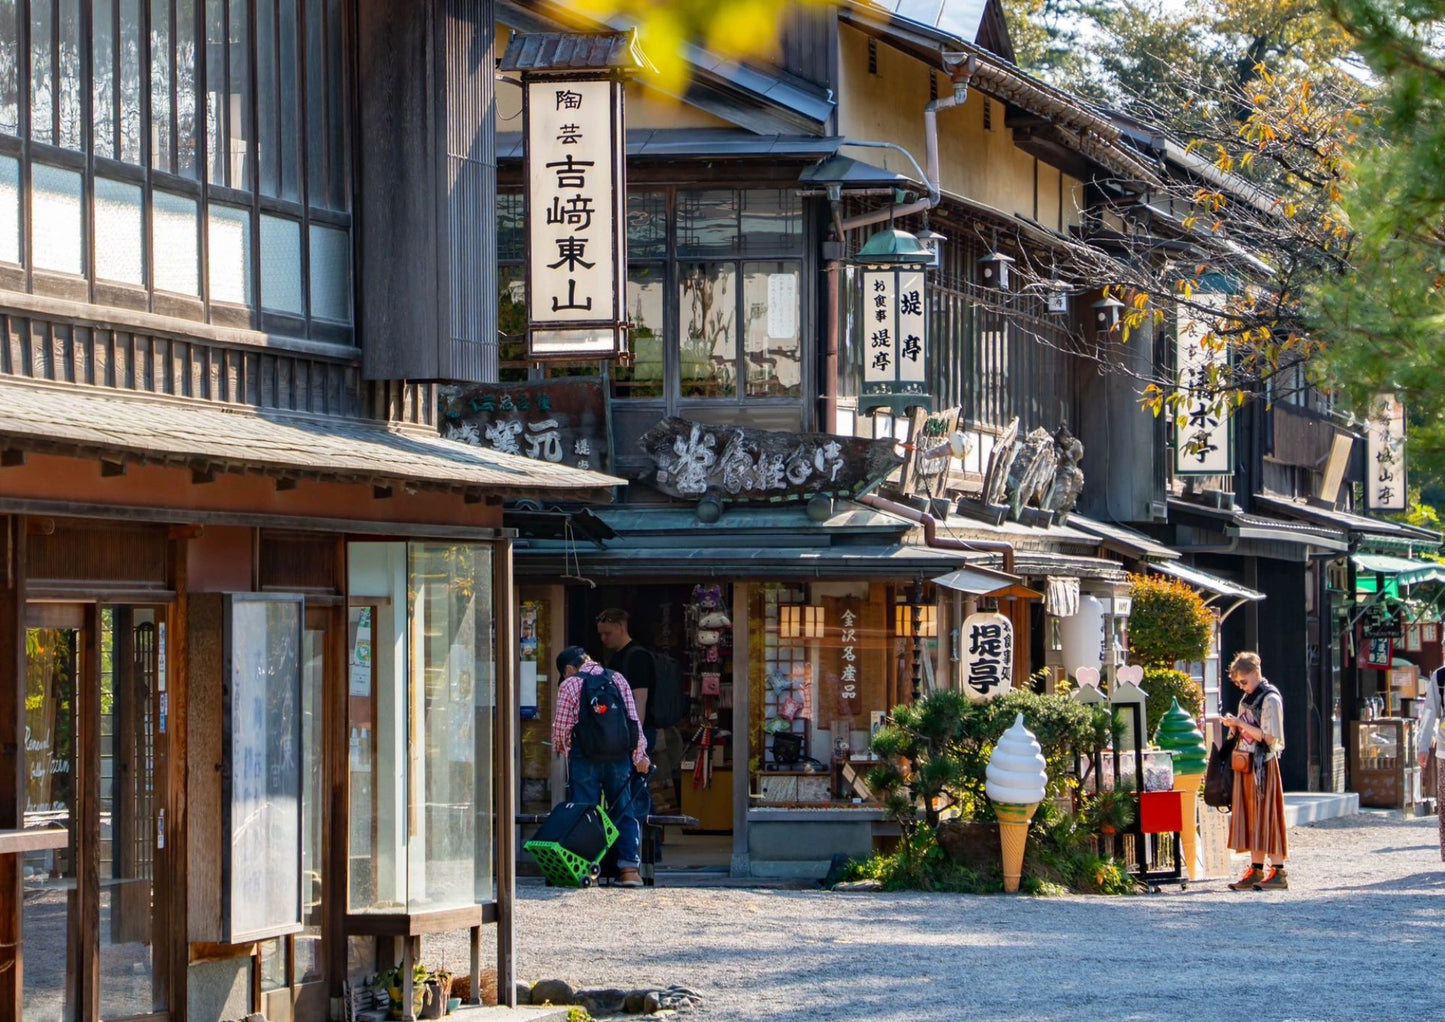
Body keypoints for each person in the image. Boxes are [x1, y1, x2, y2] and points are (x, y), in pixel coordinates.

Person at [551, 645, 650, 888]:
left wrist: (564, 753)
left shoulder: (570, 684)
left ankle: (588, 871)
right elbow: (633, 721)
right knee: (624, 810)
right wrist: (640, 756)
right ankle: (629, 871)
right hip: (618, 758)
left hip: (585, 759)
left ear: (568, 669)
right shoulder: (617, 678)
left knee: (585, 814)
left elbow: (561, 730)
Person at [597, 607, 686, 810]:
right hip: (629, 730)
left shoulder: (636, 657)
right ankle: (643, 833)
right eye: (601, 633)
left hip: (637, 730)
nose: (603, 638)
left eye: (607, 633)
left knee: (636, 785)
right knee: (635, 785)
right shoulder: (620, 656)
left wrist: (635, 737)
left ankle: (644, 834)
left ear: (621, 627)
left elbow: (640, 699)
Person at [1220, 651, 1290, 891]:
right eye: (1238, 683)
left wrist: (1241, 724)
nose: (1242, 687)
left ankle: (1278, 871)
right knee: (1251, 818)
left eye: (1244, 681)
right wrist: (1234, 726)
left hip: (1264, 765)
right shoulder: (1246, 699)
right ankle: (1256, 868)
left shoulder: (1270, 699)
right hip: (1245, 763)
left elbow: (1273, 739)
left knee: (1268, 817)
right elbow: (1244, 730)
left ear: (1256, 673)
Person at [1417, 665, 1445, 861]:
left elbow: (1428, 713)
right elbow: (1429, 713)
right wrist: (1423, 745)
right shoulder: (1441, 676)